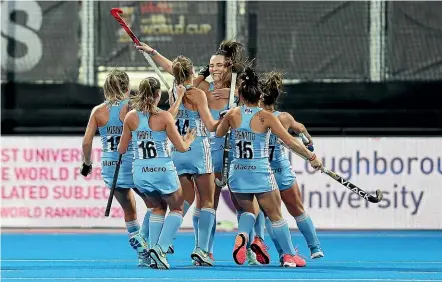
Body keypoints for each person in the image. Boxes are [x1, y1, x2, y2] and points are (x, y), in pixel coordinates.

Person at [215, 67, 323, 267]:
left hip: (237, 174)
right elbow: (290, 141)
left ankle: (242, 235)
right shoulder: (267, 117)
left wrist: (224, 118)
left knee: (249, 212)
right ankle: (290, 255)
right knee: (276, 216)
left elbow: (219, 133)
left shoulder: (232, 113)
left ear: (241, 94)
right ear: (259, 95)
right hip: (260, 172)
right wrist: (311, 156)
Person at [117, 77, 197, 269]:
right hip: (162, 168)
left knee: (157, 207)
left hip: (141, 171)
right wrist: (189, 139)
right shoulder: (165, 117)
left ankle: (153, 252)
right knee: (177, 207)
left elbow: (121, 148)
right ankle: (160, 248)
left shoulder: (131, 117)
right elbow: (181, 147)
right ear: (157, 95)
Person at [80, 69, 152, 267]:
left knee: (129, 210)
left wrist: (87, 163)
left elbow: (86, 143)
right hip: (133, 163)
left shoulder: (98, 111)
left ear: (105, 89)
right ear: (128, 88)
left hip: (111, 166)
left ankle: (142, 252)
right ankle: (144, 242)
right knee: (156, 206)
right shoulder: (132, 107)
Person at [259, 71, 324, 266]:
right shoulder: (284, 118)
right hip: (281, 171)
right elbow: (300, 127)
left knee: (272, 215)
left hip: (263, 173)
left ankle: (283, 253)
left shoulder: (254, 117)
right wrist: (307, 140)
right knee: (298, 210)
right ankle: (315, 247)